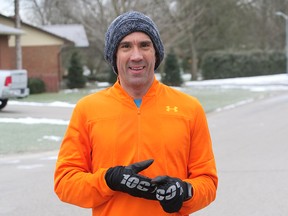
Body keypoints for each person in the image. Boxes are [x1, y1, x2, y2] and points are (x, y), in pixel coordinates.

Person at [54, 11, 218, 216]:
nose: (136, 55)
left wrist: (185, 191)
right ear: (114, 55)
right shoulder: (88, 109)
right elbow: (64, 182)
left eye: (144, 45)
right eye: (125, 46)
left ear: (156, 53)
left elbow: (208, 182)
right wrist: (108, 180)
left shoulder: (189, 108)